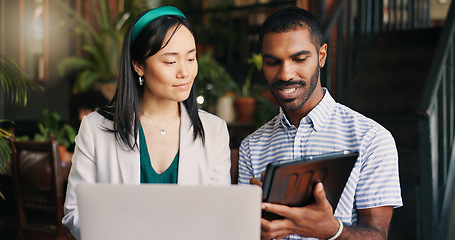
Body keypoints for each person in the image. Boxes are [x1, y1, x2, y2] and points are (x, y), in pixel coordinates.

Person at [62, 6, 231, 239]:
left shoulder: (215, 130)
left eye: (191, 58)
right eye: (170, 62)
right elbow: (75, 211)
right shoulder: (96, 128)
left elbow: (219, 215)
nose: (185, 72)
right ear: (138, 65)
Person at [238, 7, 402, 240]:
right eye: (273, 61)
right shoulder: (251, 147)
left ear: (322, 56)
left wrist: (332, 230)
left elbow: (377, 235)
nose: (285, 74)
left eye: (299, 59)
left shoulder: (371, 139)